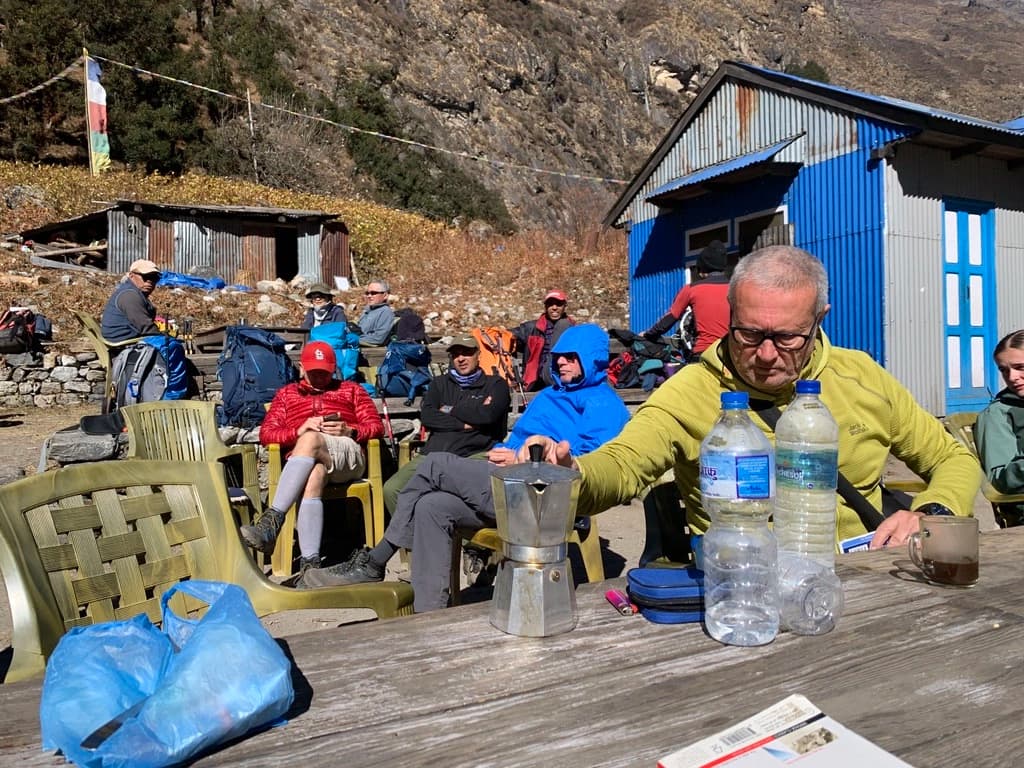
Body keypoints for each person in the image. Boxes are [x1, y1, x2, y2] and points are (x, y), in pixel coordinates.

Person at [521, 246, 980, 550]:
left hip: (864, 572)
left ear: (819, 319)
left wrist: (932, 513)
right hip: (743, 588)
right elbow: (623, 465)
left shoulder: (861, 375)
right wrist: (572, 474)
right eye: (748, 333)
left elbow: (953, 461)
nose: (764, 355)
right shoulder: (689, 391)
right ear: (732, 313)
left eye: (787, 338)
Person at [303, 323, 631, 610]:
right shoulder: (548, 397)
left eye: (571, 357)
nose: (561, 362)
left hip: (545, 495)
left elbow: (595, 461)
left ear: (593, 360)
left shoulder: (605, 404)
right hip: (507, 481)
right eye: (559, 355)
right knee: (433, 506)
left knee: (435, 466)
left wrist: (534, 457)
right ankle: (429, 614)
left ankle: (376, 560)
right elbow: (517, 437)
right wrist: (507, 451)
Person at [239, 340, 384, 576]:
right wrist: (298, 430)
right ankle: (310, 566)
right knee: (313, 474)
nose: (319, 378)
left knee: (310, 439)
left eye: (324, 373)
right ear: (301, 367)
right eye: (314, 372)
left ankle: (271, 524)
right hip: (308, 463)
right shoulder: (286, 395)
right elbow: (267, 435)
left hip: (347, 455)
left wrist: (351, 430)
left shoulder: (351, 390)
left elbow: (376, 427)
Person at [382, 333, 512, 514]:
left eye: (466, 353)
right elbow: (427, 415)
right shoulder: (439, 383)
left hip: (474, 454)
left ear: (477, 355)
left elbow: (488, 416)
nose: (461, 359)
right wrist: (464, 423)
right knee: (392, 489)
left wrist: (449, 408)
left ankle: (463, 541)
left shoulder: (495, 384)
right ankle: (414, 540)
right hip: (433, 454)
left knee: (445, 498)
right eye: (456, 354)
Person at [643, 240, 730, 358]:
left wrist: (648, 335)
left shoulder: (691, 289)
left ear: (702, 270)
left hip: (704, 353)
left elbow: (670, 318)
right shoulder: (735, 289)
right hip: (731, 355)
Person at [975, 329, 1024, 527]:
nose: (1012, 377)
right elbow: (999, 479)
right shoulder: (998, 414)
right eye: (1004, 370)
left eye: (1020, 367)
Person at [511, 288, 574, 391]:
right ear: (545, 307)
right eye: (550, 304)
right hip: (535, 382)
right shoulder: (531, 328)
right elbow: (509, 336)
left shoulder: (572, 329)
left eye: (558, 304)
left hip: (563, 380)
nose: (554, 308)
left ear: (564, 307)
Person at [100, 259, 162, 342]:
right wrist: (166, 338)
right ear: (132, 276)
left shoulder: (134, 292)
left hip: (127, 340)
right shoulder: (130, 296)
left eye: (154, 278)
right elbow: (146, 327)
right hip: (124, 346)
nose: (150, 281)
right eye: (145, 276)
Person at [355, 279, 395, 346]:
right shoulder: (367, 310)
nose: (369, 296)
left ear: (385, 295)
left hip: (371, 352)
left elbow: (378, 338)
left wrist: (354, 339)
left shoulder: (386, 312)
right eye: (367, 293)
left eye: (373, 293)